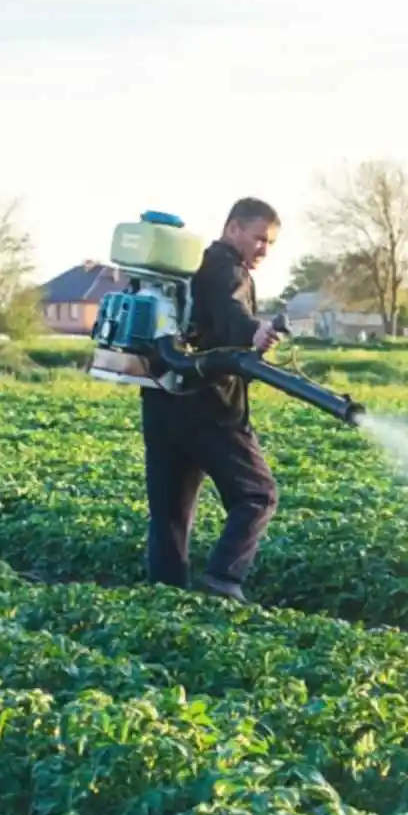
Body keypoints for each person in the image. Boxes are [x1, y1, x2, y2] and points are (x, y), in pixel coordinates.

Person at [140, 197, 284, 602]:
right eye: (259, 238)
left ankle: (164, 600)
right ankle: (223, 579)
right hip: (211, 406)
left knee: (170, 513)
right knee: (258, 494)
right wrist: (253, 333)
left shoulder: (188, 268)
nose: (263, 250)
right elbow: (231, 310)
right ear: (233, 228)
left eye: (270, 243)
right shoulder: (227, 268)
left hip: (164, 399)